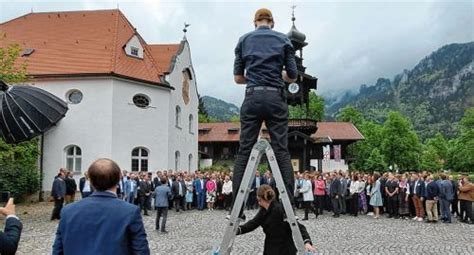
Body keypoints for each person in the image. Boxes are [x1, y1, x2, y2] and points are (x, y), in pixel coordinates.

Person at [231, 8, 298, 216]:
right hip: (276, 97)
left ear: (255, 22)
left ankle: (237, 208)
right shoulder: (284, 41)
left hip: (252, 96)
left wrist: (255, 76)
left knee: (244, 150)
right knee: (281, 150)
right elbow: (293, 75)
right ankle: (288, 207)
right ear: (272, 22)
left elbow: (237, 78)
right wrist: (279, 75)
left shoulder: (243, 40)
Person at [52, 158, 150, 254]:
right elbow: (141, 251)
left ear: (90, 180)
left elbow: (58, 250)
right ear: (118, 179)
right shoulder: (130, 212)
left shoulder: (68, 211)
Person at [237, 185, 315, 254]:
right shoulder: (263, 210)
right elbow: (253, 223)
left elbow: (298, 226)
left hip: (285, 249)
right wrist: (239, 230)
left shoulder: (280, 210)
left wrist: (307, 242)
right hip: (270, 248)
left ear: (259, 197)